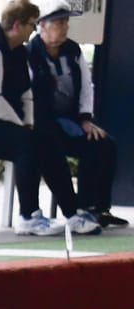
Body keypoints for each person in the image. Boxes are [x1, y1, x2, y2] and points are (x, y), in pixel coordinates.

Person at [0, 1, 92, 237]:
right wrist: (20, 126)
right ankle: (28, 217)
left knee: (47, 139)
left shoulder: (19, 50)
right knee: (26, 143)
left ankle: (72, 214)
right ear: (17, 25)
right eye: (32, 25)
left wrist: (29, 122)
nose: (34, 30)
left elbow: (25, 92)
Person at [28, 6, 124, 228]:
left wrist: (85, 119)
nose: (65, 28)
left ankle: (96, 208)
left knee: (103, 144)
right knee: (49, 148)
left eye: (66, 23)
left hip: (70, 119)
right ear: (42, 25)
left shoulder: (73, 50)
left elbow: (86, 87)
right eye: (59, 23)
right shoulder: (30, 53)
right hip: (43, 123)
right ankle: (74, 211)